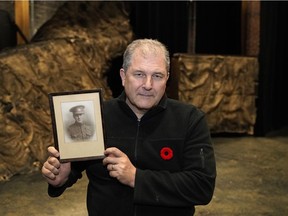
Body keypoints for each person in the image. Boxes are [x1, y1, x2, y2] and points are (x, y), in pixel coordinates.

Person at [42, 38, 217, 216]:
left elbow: (201, 187)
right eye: (139, 74)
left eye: (157, 76)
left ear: (167, 79)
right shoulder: (96, 115)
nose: (148, 85)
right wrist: (60, 178)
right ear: (123, 76)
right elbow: (73, 167)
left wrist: (136, 178)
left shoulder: (190, 119)